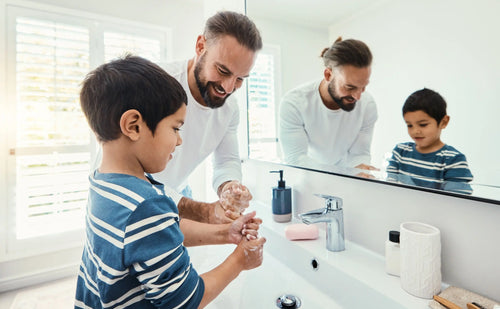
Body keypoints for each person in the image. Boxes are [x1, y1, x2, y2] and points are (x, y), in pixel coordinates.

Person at [75, 55, 266, 308]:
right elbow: (185, 301)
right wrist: (240, 261)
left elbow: (156, 235)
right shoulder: (147, 206)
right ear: (133, 126)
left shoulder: (103, 183)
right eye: (176, 128)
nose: (179, 141)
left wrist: (225, 233)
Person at [153, 11, 262, 217]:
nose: (229, 88)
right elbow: (126, 171)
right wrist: (207, 213)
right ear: (200, 46)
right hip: (131, 199)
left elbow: (226, 161)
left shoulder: (230, 110)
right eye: (223, 70)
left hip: (177, 193)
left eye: (240, 79)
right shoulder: (155, 83)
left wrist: (230, 187)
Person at [279, 37, 378, 171]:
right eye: (349, 87)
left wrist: (361, 171)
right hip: (308, 176)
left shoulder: (368, 105)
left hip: (347, 179)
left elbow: (359, 154)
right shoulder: (294, 103)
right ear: (328, 75)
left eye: (363, 87)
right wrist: (345, 174)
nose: (358, 96)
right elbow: (296, 159)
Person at [386, 88, 473, 189]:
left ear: (443, 122)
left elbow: (457, 201)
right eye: (409, 125)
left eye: (423, 125)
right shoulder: (400, 152)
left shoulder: (453, 160)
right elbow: (390, 188)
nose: (415, 131)